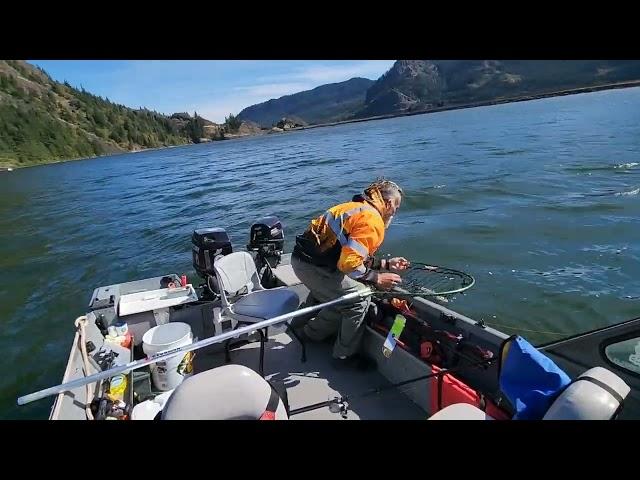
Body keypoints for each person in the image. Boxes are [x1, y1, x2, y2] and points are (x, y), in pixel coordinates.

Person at [291, 178, 410, 368]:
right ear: (387, 204)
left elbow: (351, 254)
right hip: (314, 268)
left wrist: (387, 264)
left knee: (342, 293)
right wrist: (377, 277)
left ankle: (304, 329)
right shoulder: (372, 221)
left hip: (308, 262)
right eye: (396, 205)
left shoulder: (357, 207)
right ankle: (343, 356)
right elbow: (348, 264)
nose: (396, 210)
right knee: (360, 298)